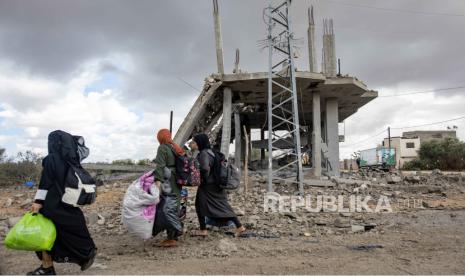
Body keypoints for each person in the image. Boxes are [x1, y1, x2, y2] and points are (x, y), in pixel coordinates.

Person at [29, 130, 96, 275]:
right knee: (66, 232)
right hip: (68, 203)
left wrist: (38, 201)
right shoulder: (72, 159)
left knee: (43, 234)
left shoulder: (51, 158)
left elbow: (45, 182)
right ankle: (85, 253)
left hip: (52, 205)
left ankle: (47, 268)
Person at [190, 133, 246, 237]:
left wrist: (202, 178)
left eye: (193, 142)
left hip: (208, 185)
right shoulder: (212, 152)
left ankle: (203, 230)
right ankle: (239, 226)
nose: (191, 144)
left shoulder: (203, 153)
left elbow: (205, 168)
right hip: (216, 183)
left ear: (198, 143)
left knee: (199, 205)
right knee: (222, 205)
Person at [152, 129, 185, 247]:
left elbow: (160, 166)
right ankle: (174, 233)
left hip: (169, 180)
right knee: (174, 205)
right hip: (177, 180)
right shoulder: (174, 147)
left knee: (167, 206)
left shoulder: (162, 148)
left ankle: (172, 237)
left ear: (160, 138)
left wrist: (157, 182)